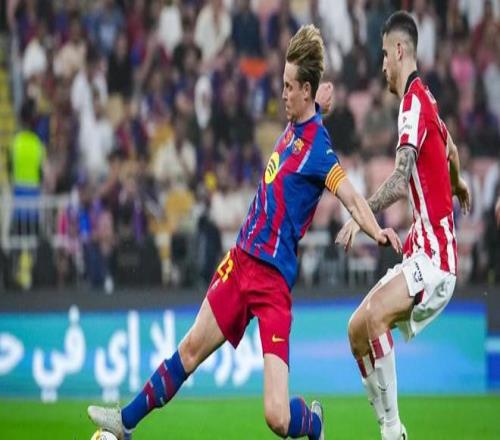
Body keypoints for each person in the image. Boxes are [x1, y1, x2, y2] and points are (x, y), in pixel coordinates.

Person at [88, 25, 401, 440]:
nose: (282, 94)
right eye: (282, 84)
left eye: (289, 87)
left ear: (305, 90)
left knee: (277, 419)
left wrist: (376, 231)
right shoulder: (298, 120)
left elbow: (352, 197)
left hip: (272, 284)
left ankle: (313, 423)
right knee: (189, 350)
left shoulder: (320, 152)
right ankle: (125, 423)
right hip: (239, 263)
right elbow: (314, 109)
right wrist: (319, 103)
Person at [335, 11, 471, 440]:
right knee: (356, 330)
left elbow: (399, 178)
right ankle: (389, 428)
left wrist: (360, 213)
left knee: (375, 318)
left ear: (398, 51)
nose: (381, 66)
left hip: (435, 260)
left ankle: (393, 432)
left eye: (383, 55)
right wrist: (459, 184)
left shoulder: (413, 102)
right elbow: (451, 150)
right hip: (422, 254)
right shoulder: (426, 101)